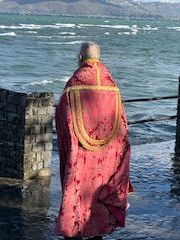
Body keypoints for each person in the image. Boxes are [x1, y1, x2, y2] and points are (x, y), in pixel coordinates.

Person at [55, 42, 132, 240]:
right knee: (98, 192)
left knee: (79, 192)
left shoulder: (74, 84)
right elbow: (122, 123)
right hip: (107, 154)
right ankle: (97, 231)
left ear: (80, 57)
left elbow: (64, 118)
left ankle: (75, 230)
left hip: (80, 153)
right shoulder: (112, 85)